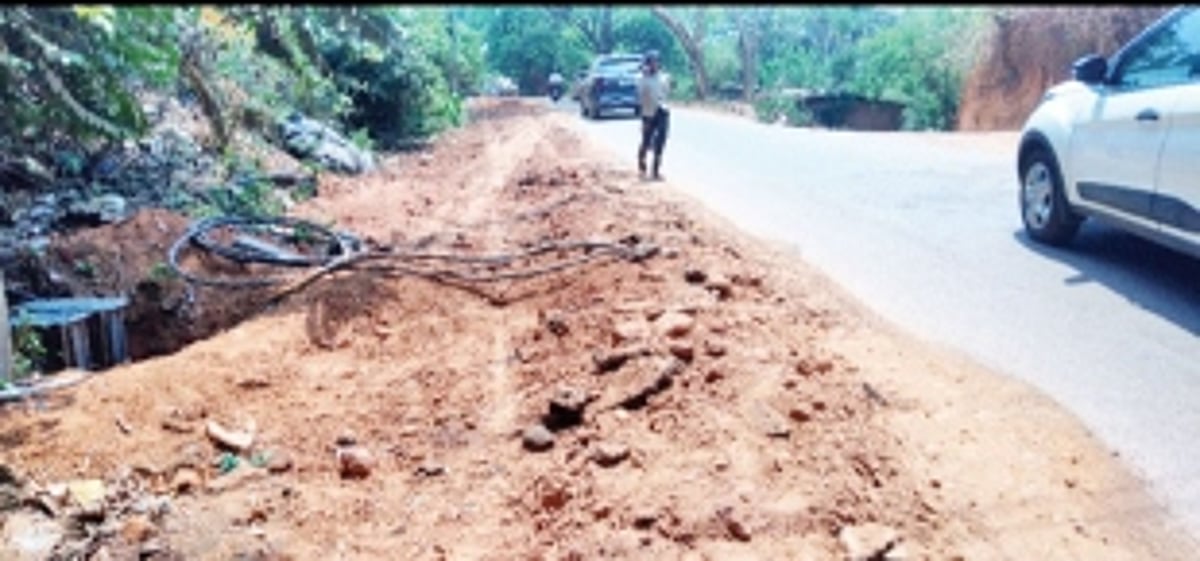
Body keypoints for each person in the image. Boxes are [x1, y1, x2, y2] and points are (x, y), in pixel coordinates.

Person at [636, 51, 669, 180]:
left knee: (661, 139)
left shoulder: (664, 77)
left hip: (662, 110)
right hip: (648, 112)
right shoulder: (641, 79)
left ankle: (655, 170)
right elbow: (640, 96)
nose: (655, 64)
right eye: (652, 62)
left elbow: (666, 92)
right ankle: (642, 166)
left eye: (656, 62)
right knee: (646, 140)